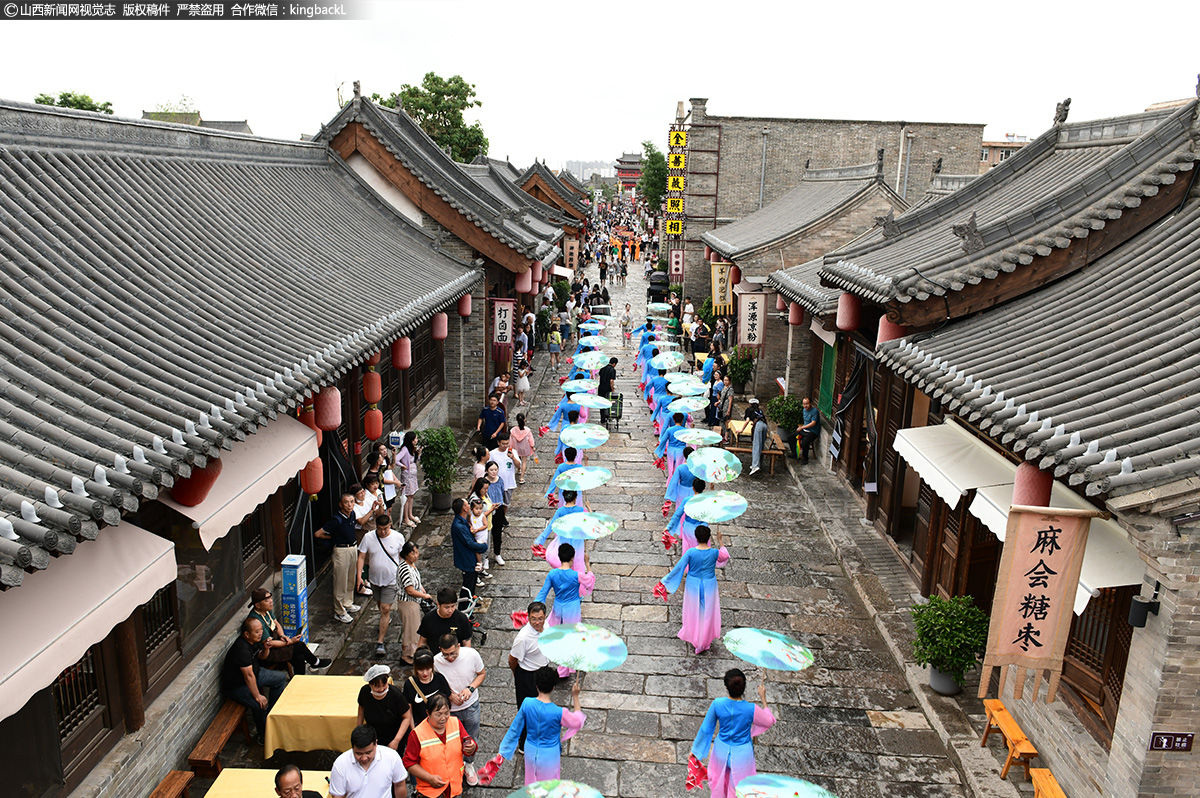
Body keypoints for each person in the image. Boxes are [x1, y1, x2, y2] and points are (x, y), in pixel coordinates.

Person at [490, 667, 585, 786]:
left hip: (530, 749)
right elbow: (577, 721)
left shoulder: (527, 703)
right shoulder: (559, 712)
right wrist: (575, 696)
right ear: (553, 688)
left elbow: (515, 729)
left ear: (536, 685)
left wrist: (503, 751)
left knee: (531, 782)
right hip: (550, 753)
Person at [689, 670, 775, 798]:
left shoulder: (717, 703)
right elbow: (769, 721)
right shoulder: (751, 709)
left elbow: (706, 729)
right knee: (739, 790)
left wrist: (696, 750)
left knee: (719, 785)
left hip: (721, 751)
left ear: (726, 687)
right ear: (744, 687)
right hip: (742, 755)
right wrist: (763, 698)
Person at [655, 525, 731, 653]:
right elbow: (725, 556)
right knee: (707, 612)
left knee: (694, 611)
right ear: (708, 538)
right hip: (709, 584)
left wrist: (665, 581)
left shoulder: (690, 552)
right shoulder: (714, 552)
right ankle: (704, 639)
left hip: (693, 585)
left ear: (696, 537)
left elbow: (678, 568)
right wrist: (720, 540)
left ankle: (695, 637)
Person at [221, 617, 289, 741]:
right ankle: (263, 735)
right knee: (260, 705)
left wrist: (266, 648)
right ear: (247, 634)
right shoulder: (241, 649)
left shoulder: (255, 640)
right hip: (238, 685)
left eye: (261, 630)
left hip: (256, 674)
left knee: (280, 678)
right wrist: (257, 695)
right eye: (257, 632)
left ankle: (271, 714)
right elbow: (248, 676)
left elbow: (262, 657)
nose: (260, 633)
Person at [434, 635, 486, 785]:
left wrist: (470, 688)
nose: (450, 658)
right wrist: (450, 695)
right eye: (446, 655)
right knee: (451, 740)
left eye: (453, 653)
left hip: (471, 705)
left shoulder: (472, 655)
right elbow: (437, 682)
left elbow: (481, 674)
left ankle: (469, 764)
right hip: (450, 709)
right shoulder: (436, 661)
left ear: (458, 646)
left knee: (471, 737)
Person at [403, 694, 477, 798]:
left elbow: (467, 743)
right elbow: (409, 763)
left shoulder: (455, 723)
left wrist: (472, 747)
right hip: (430, 791)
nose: (443, 718)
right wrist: (429, 778)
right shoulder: (417, 734)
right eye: (438, 714)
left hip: (454, 787)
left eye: (446, 713)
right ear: (428, 713)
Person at [247, 588, 331, 675]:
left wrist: (282, 635)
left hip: (276, 642)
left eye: (270, 598)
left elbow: (276, 623)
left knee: (299, 657)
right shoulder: (256, 620)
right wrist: (290, 642)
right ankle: (315, 662)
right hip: (267, 652)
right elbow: (269, 643)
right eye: (266, 600)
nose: (271, 601)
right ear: (257, 605)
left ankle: (299, 682)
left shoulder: (267, 611)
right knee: (299, 646)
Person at [359, 514, 404, 657]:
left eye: (385, 529)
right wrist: (359, 576)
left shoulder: (398, 537)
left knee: (385, 608)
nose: (383, 532)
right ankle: (385, 620)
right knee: (380, 605)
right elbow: (361, 556)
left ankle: (380, 642)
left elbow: (402, 557)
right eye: (380, 529)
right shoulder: (368, 537)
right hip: (375, 579)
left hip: (391, 579)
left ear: (390, 525)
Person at [507, 601, 549, 751]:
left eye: (540, 618)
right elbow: (512, 660)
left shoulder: (547, 627)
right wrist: (519, 676)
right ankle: (523, 743)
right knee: (527, 711)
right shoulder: (523, 638)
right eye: (534, 619)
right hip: (527, 675)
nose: (537, 622)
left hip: (542, 672)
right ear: (529, 618)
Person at [329, 724, 408, 798]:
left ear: (376, 743)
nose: (364, 758)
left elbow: (400, 785)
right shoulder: (341, 764)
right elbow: (337, 796)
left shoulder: (391, 757)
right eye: (358, 754)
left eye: (368, 753)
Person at [317, 492, 361, 623]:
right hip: (341, 550)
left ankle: (348, 602)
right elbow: (319, 534)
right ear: (341, 504)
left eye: (352, 502)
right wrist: (333, 538)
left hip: (353, 547)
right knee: (340, 581)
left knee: (350, 577)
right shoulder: (337, 519)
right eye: (346, 502)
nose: (349, 505)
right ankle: (339, 610)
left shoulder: (352, 514)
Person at [535, 544, 594, 630]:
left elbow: (543, 593)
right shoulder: (576, 575)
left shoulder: (552, 574)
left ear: (559, 556)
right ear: (572, 558)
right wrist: (587, 564)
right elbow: (590, 580)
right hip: (573, 609)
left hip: (558, 608)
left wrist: (532, 608)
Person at [358, 664, 413, 752]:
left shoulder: (396, 695)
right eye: (377, 686)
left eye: (384, 685)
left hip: (393, 735)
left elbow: (407, 717)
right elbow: (361, 707)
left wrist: (396, 740)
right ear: (370, 685)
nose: (381, 689)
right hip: (374, 735)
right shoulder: (365, 692)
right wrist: (359, 728)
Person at [396, 542, 432, 664]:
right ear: (406, 554)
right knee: (410, 631)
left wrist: (421, 588)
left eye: (416, 552)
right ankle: (407, 656)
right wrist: (424, 595)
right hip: (408, 603)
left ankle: (413, 652)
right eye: (413, 553)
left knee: (414, 629)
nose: (416, 555)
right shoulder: (405, 568)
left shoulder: (411, 565)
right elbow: (409, 590)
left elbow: (416, 582)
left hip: (413, 603)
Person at [486, 432, 519, 564]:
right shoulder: (493, 454)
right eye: (503, 443)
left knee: (506, 503)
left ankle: (501, 520)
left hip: (508, 483)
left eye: (507, 443)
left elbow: (518, 465)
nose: (506, 446)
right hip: (494, 492)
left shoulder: (512, 452)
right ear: (498, 442)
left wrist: (513, 458)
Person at [403, 648, 453, 730]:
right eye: (421, 669)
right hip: (421, 727)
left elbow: (447, 703)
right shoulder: (409, 684)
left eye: (428, 668)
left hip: (440, 725)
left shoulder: (440, 679)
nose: (425, 673)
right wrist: (414, 731)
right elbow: (409, 712)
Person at [450, 497, 488, 596]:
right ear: (464, 509)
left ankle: (472, 600)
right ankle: (464, 606)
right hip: (466, 559)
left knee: (472, 582)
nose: (469, 506)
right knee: (468, 584)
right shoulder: (459, 526)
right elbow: (469, 543)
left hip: (469, 557)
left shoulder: (463, 521)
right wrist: (483, 547)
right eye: (467, 505)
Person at [396, 432, 422, 528]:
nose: (416, 440)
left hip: (413, 475)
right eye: (415, 439)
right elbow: (396, 459)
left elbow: (414, 460)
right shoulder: (404, 450)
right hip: (407, 476)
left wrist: (418, 454)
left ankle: (410, 514)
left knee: (411, 495)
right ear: (411, 440)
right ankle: (405, 518)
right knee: (406, 496)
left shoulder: (411, 449)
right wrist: (403, 466)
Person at [467, 497, 492, 579]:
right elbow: (469, 522)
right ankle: (479, 565)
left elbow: (485, 525)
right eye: (477, 508)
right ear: (472, 509)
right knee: (477, 550)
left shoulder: (482, 516)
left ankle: (479, 563)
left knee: (479, 550)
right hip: (474, 536)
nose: (479, 511)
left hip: (481, 536)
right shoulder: (471, 515)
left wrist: (477, 530)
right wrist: (471, 527)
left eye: (480, 509)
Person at [745, 398, 769, 476]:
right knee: (761, 445)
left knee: (756, 445)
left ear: (750, 404)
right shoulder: (760, 411)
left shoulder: (749, 410)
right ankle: (759, 464)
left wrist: (741, 429)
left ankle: (755, 466)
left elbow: (747, 420)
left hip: (758, 426)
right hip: (764, 425)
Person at [509, 414, 535, 484]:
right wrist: (532, 447)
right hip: (525, 448)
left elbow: (510, 442)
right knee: (524, 461)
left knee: (518, 458)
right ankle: (522, 477)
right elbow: (531, 440)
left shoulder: (513, 430)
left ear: (516, 420)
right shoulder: (527, 430)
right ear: (524, 420)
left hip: (516, 447)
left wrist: (510, 449)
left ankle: (519, 469)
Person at [797, 396, 820, 463]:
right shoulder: (804, 410)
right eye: (804, 404)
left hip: (813, 431)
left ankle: (805, 458)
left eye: (807, 404)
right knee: (791, 437)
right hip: (805, 430)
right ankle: (795, 454)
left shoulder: (815, 411)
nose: (805, 406)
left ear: (811, 403)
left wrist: (802, 427)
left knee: (805, 442)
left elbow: (813, 423)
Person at [598, 357, 618, 424]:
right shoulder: (612, 370)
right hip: (607, 388)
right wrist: (612, 390)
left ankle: (602, 418)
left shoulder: (603, 367)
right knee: (608, 403)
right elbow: (611, 381)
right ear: (614, 364)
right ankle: (607, 416)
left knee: (601, 403)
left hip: (601, 387)